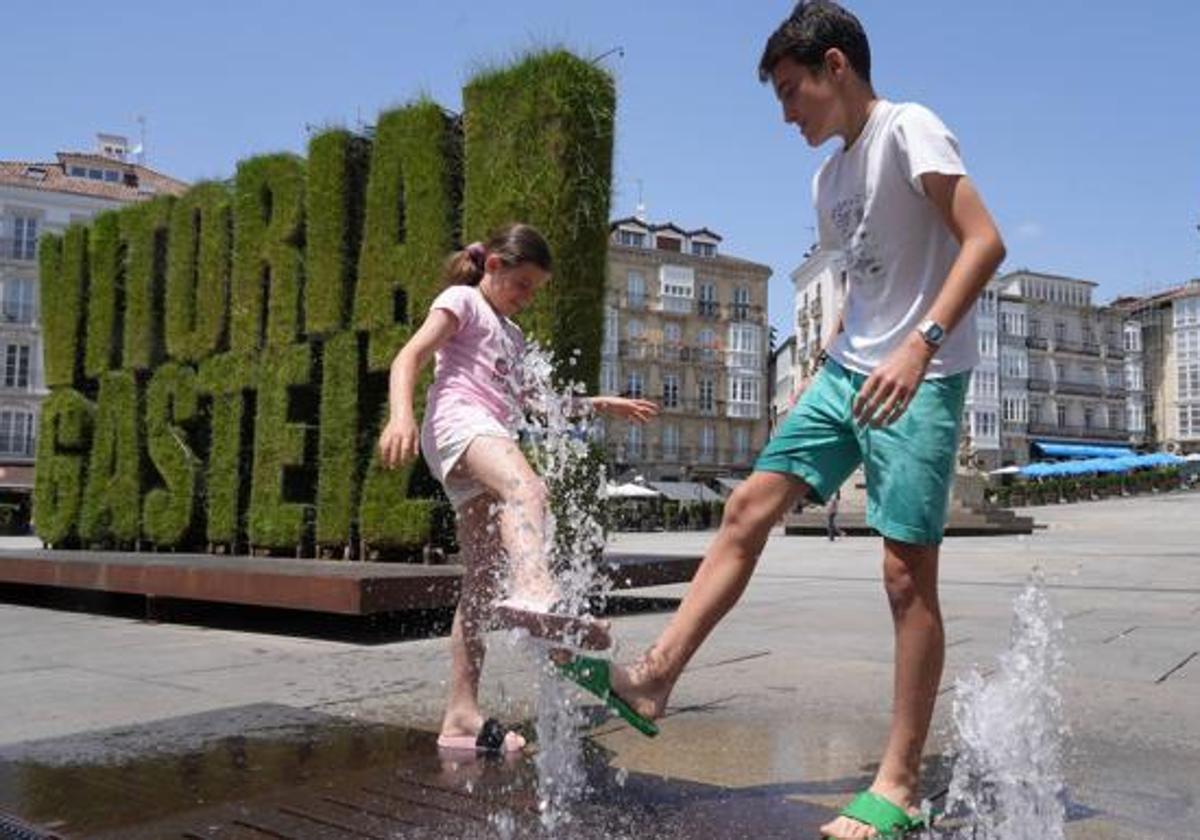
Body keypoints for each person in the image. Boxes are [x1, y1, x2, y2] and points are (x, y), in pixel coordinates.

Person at [601, 3, 1006, 837]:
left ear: (834, 66)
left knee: (904, 576)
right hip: (847, 369)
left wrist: (920, 346)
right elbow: (864, 268)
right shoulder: (826, 179)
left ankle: (897, 784)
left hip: (917, 375)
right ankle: (654, 678)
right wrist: (834, 344)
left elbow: (984, 241)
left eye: (792, 92)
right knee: (746, 505)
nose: (786, 113)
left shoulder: (910, 130)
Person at [378, 223, 659, 754]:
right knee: (529, 489)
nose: (528, 298)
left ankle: (460, 712)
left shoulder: (514, 335)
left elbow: (539, 401)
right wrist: (400, 416)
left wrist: (601, 404)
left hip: (484, 437)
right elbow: (408, 357)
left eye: (535, 290)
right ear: (494, 267)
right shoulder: (462, 300)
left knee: (481, 582)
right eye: (523, 285)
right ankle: (535, 588)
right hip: (461, 424)